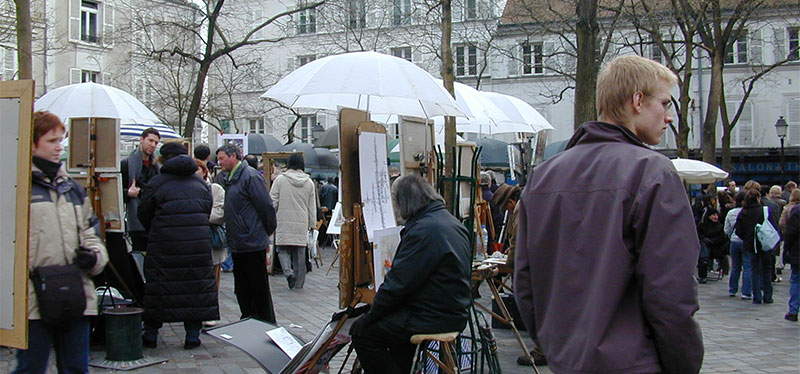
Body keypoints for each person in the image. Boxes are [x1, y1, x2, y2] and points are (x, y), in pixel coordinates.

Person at [515, 55, 703, 374]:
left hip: (568, 362)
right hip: (635, 364)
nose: (668, 117)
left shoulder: (543, 176)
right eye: (665, 103)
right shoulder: (652, 172)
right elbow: (671, 295)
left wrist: (557, 348)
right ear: (638, 100)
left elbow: (525, 283)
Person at [14, 111, 109, 373]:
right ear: (32, 143)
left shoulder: (73, 188)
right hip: (32, 299)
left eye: (61, 141)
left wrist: (93, 258)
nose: (59, 148)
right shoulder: (16, 186)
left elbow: (93, 236)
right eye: (52, 141)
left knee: (77, 368)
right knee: (30, 369)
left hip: (74, 293)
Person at [349, 175, 472, 374]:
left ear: (403, 202)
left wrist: (370, 317)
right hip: (452, 311)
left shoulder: (424, 229)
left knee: (364, 335)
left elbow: (399, 284)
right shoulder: (450, 222)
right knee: (396, 339)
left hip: (432, 316)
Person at [137, 143, 218, 349]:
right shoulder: (200, 184)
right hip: (197, 248)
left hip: (164, 246)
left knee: (158, 289)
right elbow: (206, 211)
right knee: (195, 289)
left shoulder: (157, 183)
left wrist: (156, 230)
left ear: (163, 160)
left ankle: (151, 335)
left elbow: (143, 214)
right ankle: (192, 336)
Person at [216, 144, 278, 323]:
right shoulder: (229, 178)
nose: (219, 162)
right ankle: (248, 317)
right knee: (242, 286)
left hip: (252, 240)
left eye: (222, 158)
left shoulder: (249, 176)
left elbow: (266, 207)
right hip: (238, 241)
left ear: (234, 156)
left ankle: (264, 321)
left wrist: (264, 231)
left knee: (257, 286)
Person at [270, 153, 317, 289]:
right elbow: (311, 206)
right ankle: (299, 283)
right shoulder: (309, 183)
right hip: (301, 221)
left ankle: (288, 273)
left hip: (283, 220)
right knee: (300, 253)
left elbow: (273, 202)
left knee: (282, 249)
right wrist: (312, 224)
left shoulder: (280, 180)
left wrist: (270, 218)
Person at [195, 158, 227, 327]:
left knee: (213, 279)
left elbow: (219, 214)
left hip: (211, 241)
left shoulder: (215, 189)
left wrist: (195, 217)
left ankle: (209, 312)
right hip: (193, 242)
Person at [121, 128, 161, 252]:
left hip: (155, 219)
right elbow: (117, 192)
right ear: (141, 139)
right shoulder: (127, 164)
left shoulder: (157, 166)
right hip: (136, 218)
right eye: (150, 140)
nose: (153, 145)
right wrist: (128, 193)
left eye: (156, 142)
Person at [735, 189, 775, 304]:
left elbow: (738, 230)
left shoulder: (743, 212)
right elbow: (772, 225)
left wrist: (747, 238)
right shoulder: (764, 210)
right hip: (764, 243)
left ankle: (756, 296)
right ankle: (768, 296)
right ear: (758, 198)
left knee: (754, 269)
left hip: (751, 245)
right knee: (767, 270)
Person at [725, 192, 752, 299]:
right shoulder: (748, 212)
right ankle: (746, 292)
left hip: (734, 241)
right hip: (745, 241)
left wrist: (730, 235)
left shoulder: (731, 212)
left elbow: (726, 229)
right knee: (747, 267)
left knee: (735, 266)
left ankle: (732, 289)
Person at [697, 208, 729, 283]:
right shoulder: (702, 225)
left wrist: (712, 241)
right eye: (713, 215)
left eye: (716, 215)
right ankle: (704, 263)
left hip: (716, 248)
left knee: (704, 248)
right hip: (705, 247)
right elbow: (698, 235)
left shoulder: (719, 226)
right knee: (704, 244)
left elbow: (721, 238)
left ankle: (704, 265)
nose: (716, 217)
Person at [783, 203, 799, 321]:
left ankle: (793, 311)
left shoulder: (797, 210)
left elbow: (790, 233)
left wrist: (787, 249)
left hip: (798, 251)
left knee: (797, 280)